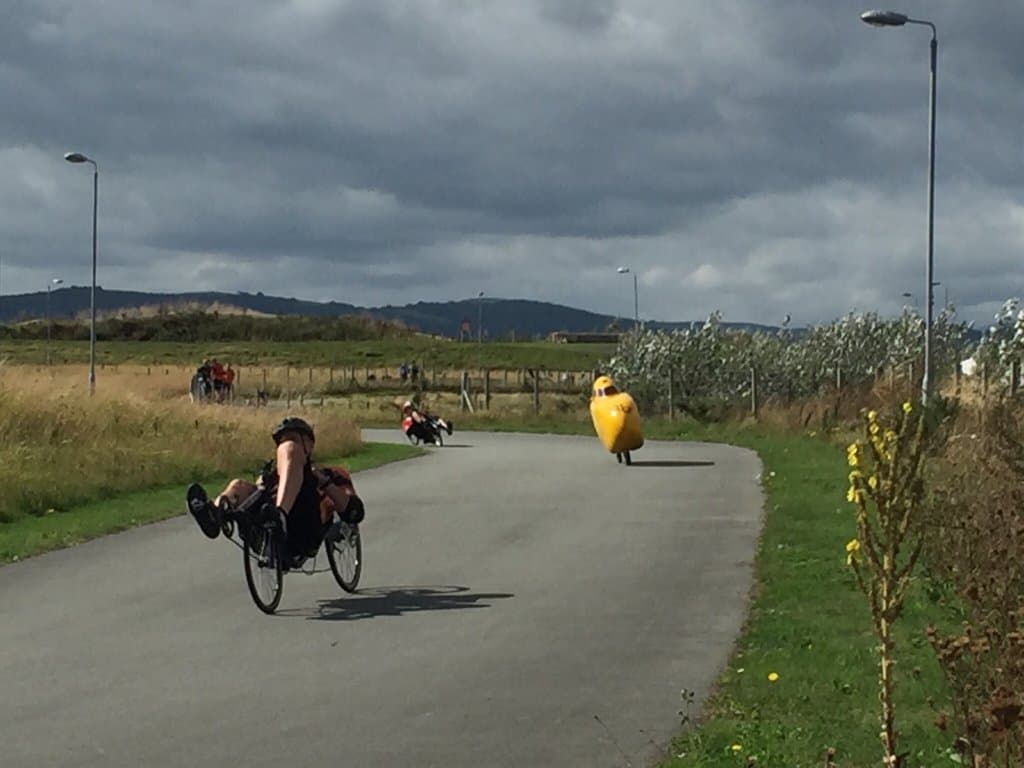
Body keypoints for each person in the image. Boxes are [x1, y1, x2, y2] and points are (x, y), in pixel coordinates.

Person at [185, 417, 364, 563]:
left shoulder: (329, 474)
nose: (286, 445)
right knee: (238, 485)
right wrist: (262, 485)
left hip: (304, 532)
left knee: (291, 458)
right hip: (264, 534)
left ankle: (280, 516)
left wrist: (325, 483)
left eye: (294, 439)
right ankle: (214, 515)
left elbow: (354, 512)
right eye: (282, 442)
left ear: (309, 444)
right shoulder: (272, 476)